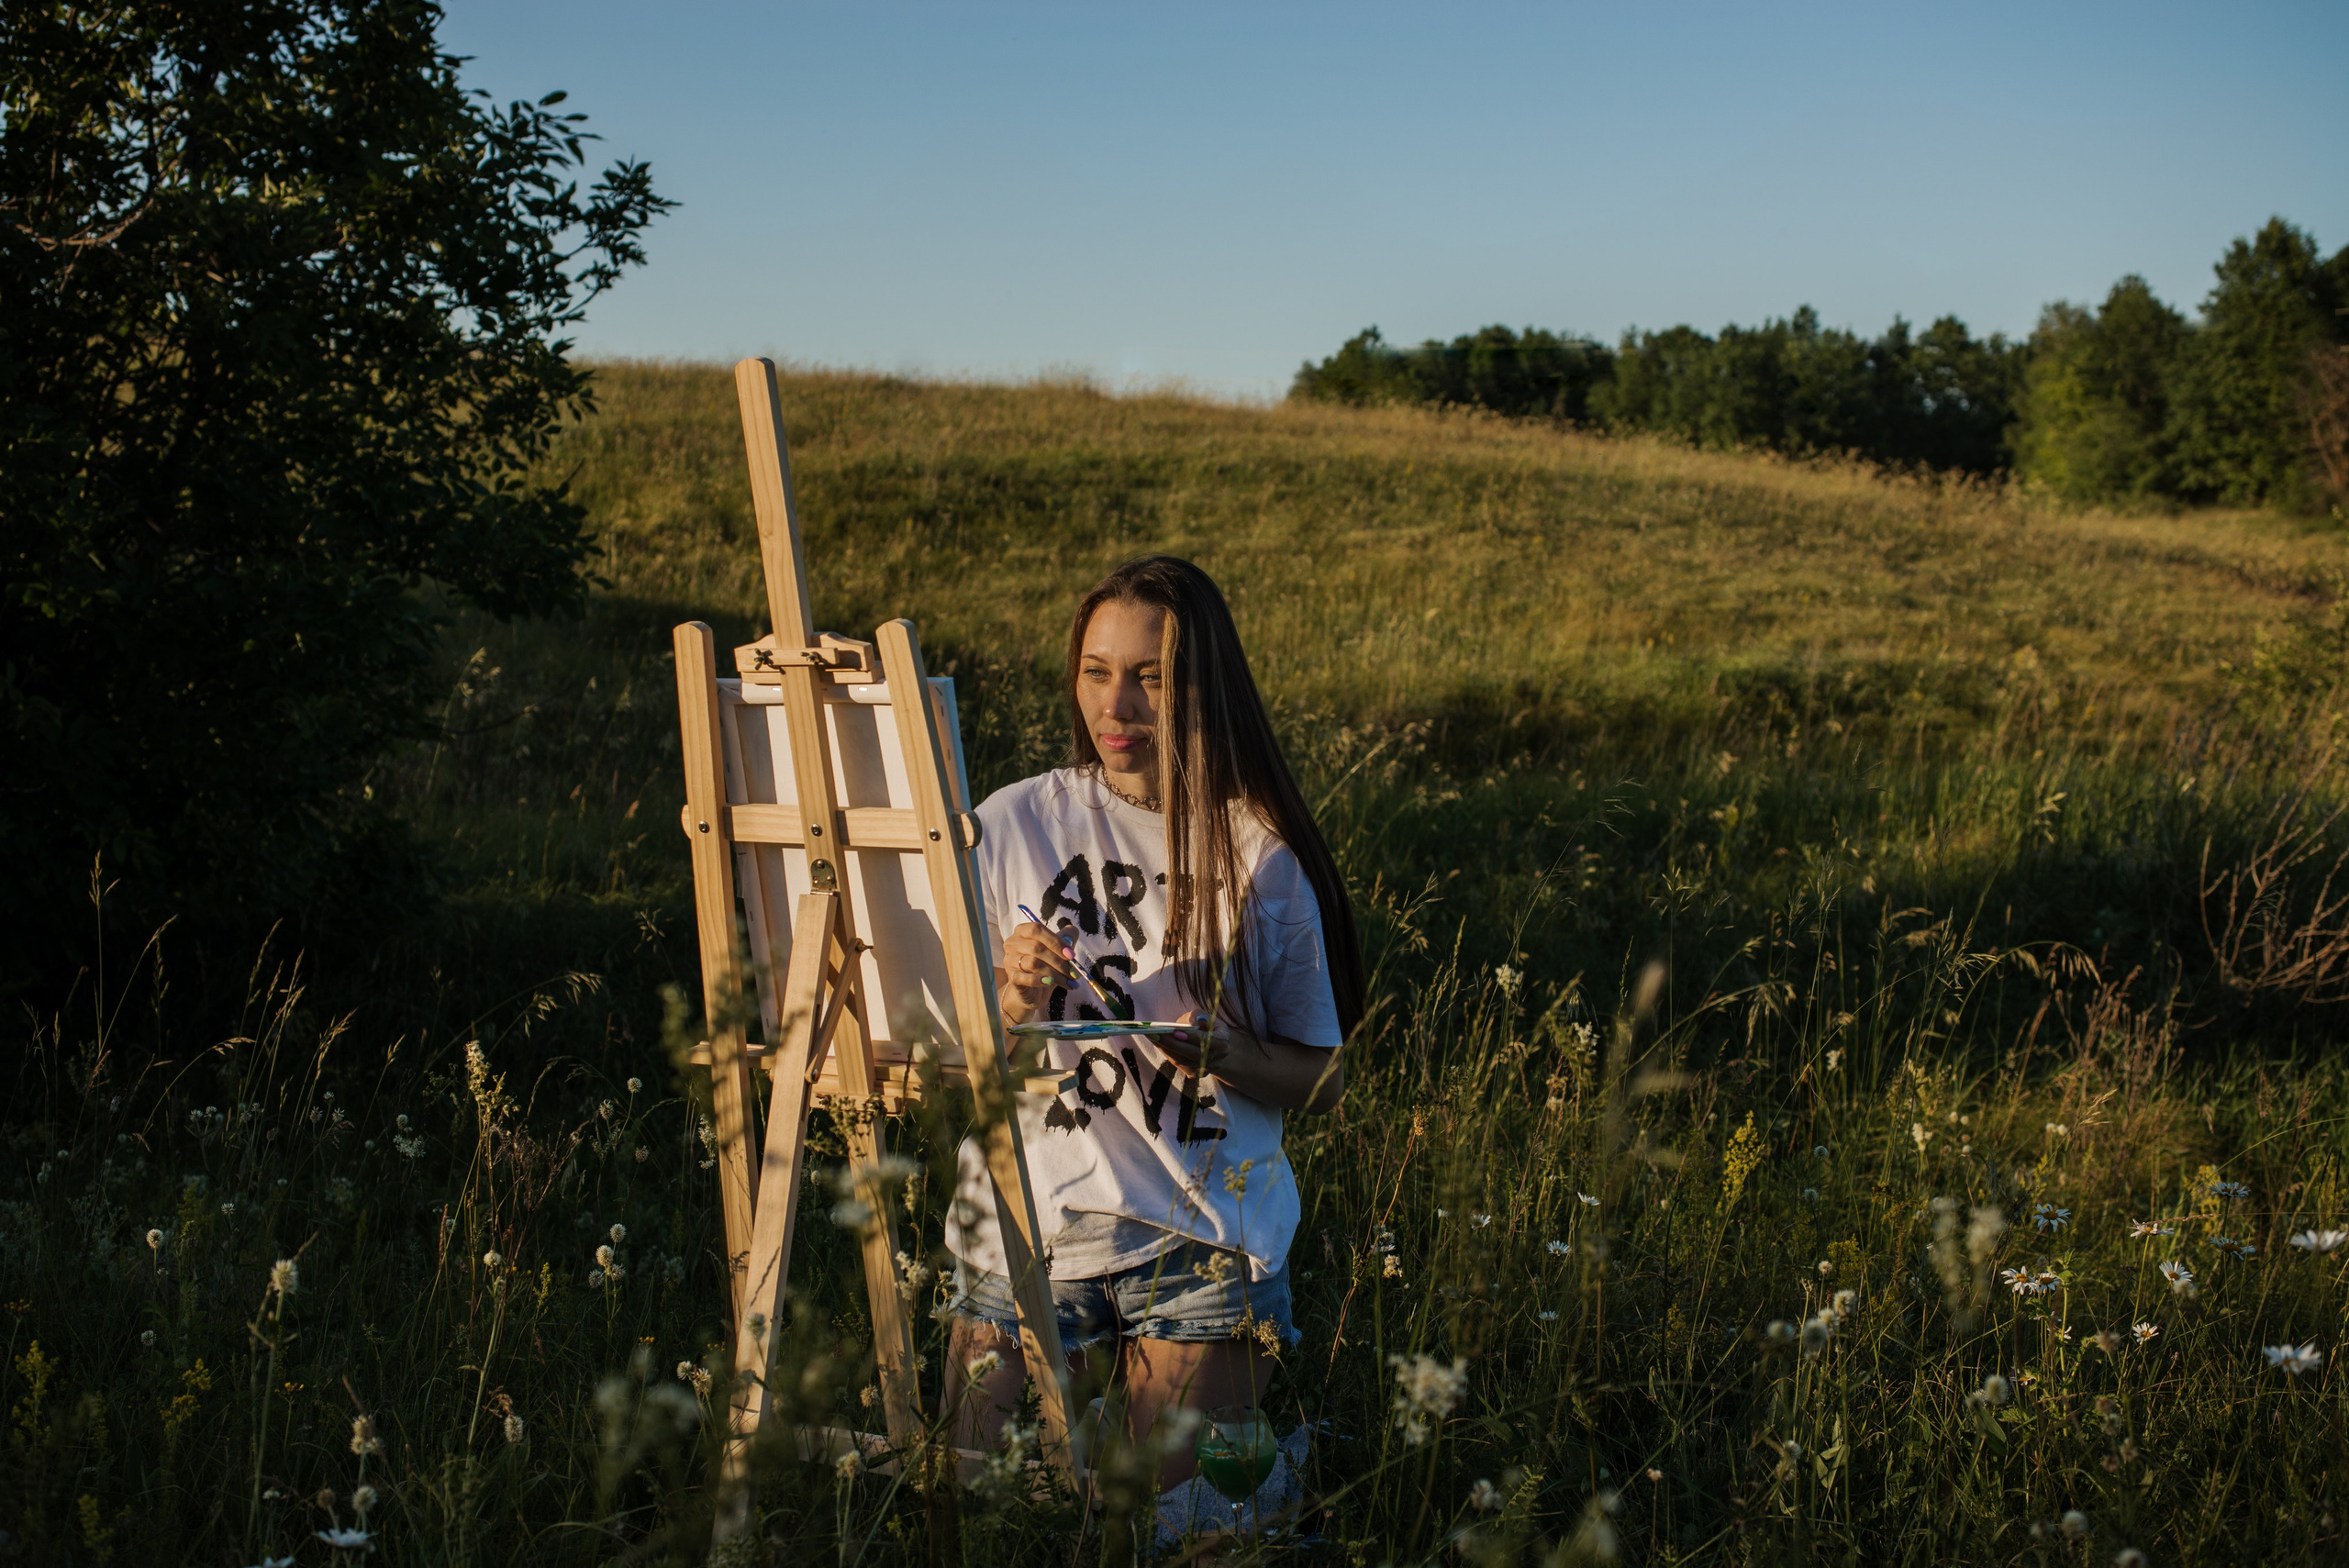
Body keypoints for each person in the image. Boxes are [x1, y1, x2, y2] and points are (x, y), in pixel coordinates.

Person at [941, 555, 1364, 1489]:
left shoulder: (1259, 851)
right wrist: (1012, 997)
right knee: (979, 1497)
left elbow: (1324, 1080)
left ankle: (1274, 1503)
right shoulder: (1009, 824)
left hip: (1203, 1238)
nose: (1117, 705)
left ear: (1202, 685)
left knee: (1169, 1527)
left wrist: (1233, 1055)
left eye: (1150, 677)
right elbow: (952, 1048)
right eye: (1096, 671)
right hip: (1029, 1225)